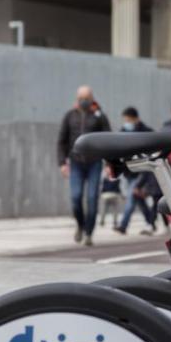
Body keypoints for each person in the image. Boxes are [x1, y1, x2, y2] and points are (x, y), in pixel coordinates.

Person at [56, 85, 111, 246]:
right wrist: (62, 163)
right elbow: (61, 141)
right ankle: (80, 225)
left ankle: (89, 233)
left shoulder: (99, 117)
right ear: (76, 99)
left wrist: (109, 163)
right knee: (75, 197)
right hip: (76, 163)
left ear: (92, 99)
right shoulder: (69, 116)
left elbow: (108, 141)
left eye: (87, 98)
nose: (84, 101)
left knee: (92, 198)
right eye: (81, 98)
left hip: (94, 163)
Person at [112, 107, 158, 235]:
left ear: (136, 119)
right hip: (128, 172)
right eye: (125, 120)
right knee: (139, 199)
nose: (127, 123)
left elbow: (154, 148)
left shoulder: (146, 131)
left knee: (132, 196)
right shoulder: (122, 132)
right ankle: (151, 222)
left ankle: (123, 225)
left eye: (129, 120)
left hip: (143, 171)